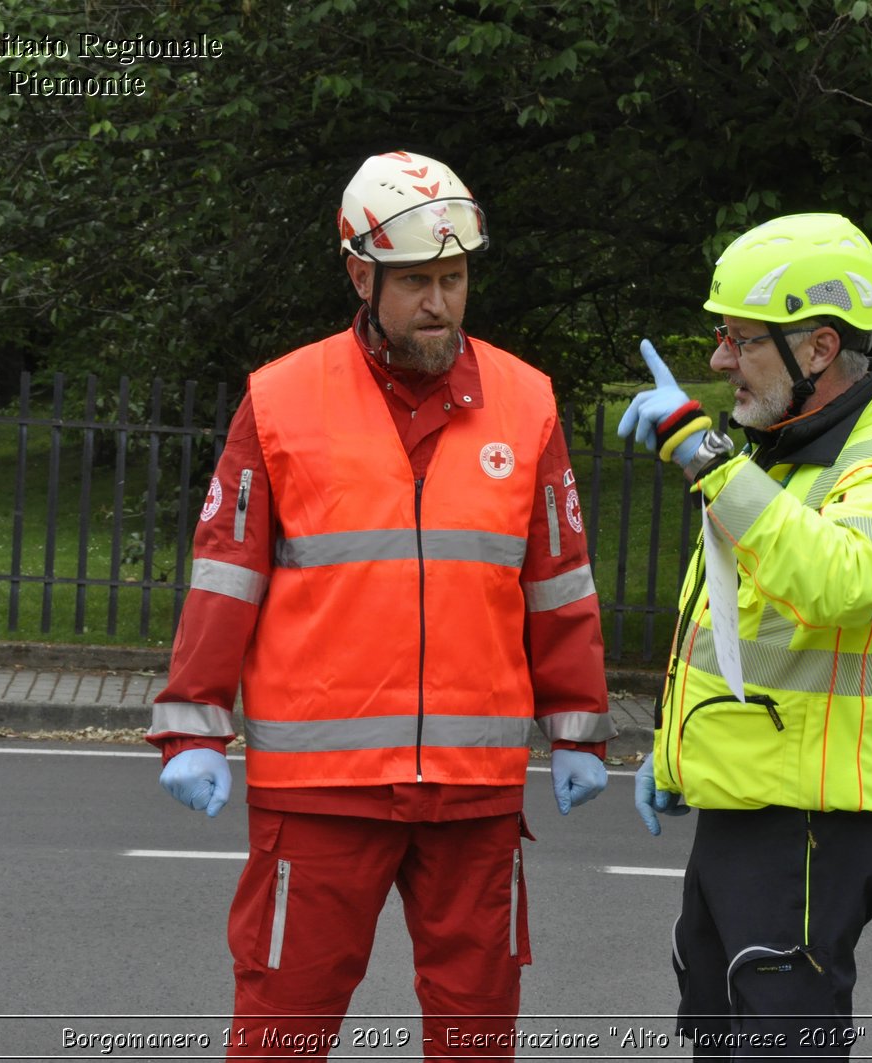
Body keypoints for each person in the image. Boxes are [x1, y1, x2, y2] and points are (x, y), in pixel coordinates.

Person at [145, 150, 616, 1059]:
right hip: (322, 793)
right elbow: (225, 574)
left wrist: (580, 728)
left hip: (473, 792)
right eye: (415, 283)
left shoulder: (527, 403)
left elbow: (558, 581)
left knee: (478, 1034)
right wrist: (194, 726)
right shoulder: (280, 400)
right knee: (282, 1027)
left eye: (454, 277)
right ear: (362, 275)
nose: (439, 301)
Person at [622, 212, 872, 1058]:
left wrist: (706, 456)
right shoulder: (780, 461)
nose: (721, 359)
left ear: (819, 348)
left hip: (809, 820)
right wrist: (671, 757)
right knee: (718, 1034)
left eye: (740, 339)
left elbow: (832, 580)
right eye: (720, 336)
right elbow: (722, 635)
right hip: (744, 806)